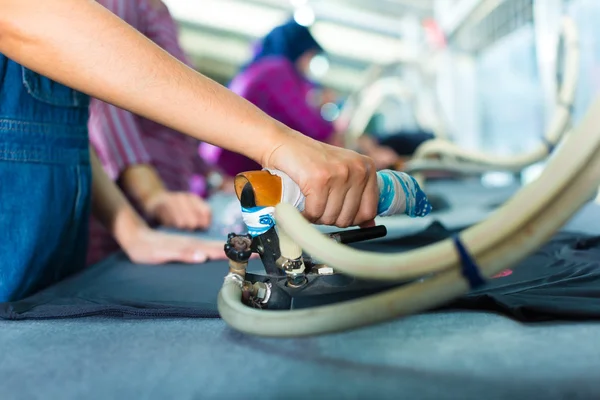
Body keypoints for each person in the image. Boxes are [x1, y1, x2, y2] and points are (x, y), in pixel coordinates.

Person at [0, 0, 381, 302]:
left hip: (52, 247)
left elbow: (69, 123)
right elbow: (81, 62)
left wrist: (132, 230)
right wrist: (278, 143)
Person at [86, 0, 232, 265]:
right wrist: (150, 193)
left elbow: (172, 124)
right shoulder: (122, 3)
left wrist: (215, 177)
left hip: (167, 199)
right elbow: (106, 96)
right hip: (128, 204)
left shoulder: (160, 11)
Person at [199, 19, 402, 177]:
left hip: (220, 168)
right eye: (310, 57)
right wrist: (368, 154)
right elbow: (316, 129)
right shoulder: (276, 69)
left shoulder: (261, 70)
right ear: (300, 50)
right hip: (225, 173)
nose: (308, 65)